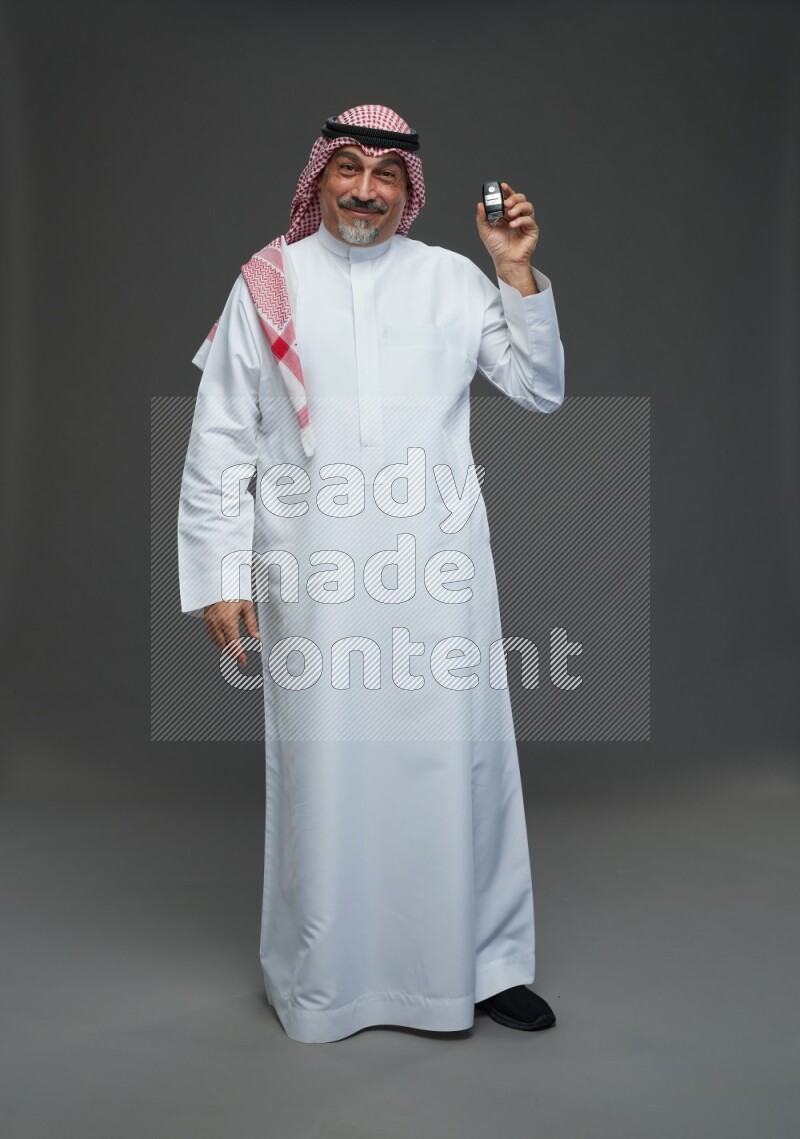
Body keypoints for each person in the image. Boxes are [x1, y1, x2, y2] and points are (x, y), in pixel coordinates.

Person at [177, 104, 566, 1044]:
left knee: (458, 759)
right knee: (327, 770)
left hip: (435, 572)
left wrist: (516, 273)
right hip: (310, 573)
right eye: (347, 168)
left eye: (384, 174)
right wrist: (218, 571)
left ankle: (483, 962)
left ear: (409, 189)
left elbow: (539, 386)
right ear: (320, 178)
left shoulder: (450, 280)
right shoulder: (268, 283)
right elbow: (223, 434)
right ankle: (328, 980)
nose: (363, 189)